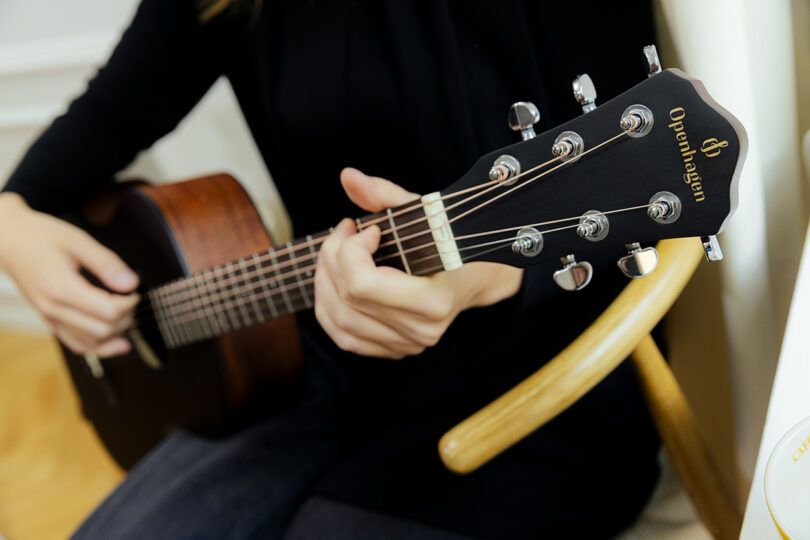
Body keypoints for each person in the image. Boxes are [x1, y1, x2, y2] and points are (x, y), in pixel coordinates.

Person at [0, 0, 661, 537]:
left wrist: (481, 278)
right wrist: (11, 224)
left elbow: (638, 177)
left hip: (543, 380)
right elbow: (106, 118)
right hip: (315, 356)